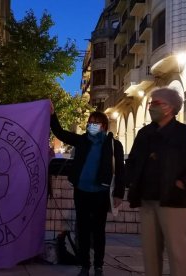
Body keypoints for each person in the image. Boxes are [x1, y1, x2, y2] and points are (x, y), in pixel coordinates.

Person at [126, 87, 186, 276]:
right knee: (150, 252)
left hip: (174, 200)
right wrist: (132, 181)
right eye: (151, 103)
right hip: (147, 200)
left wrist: (183, 182)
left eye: (156, 103)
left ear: (170, 107)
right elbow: (132, 161)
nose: (151, 107)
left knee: (177, 250)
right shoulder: (144, 133)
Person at [50, 104, 125, 276]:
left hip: (101, 192)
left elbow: (120, 170)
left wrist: (119, 193)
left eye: (96, 122)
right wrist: (52, 115)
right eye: (90, 122)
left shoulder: (114, 145)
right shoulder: (82, 140)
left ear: (104, 126)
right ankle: (85, 265)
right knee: (82, 230)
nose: (92, 125)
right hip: (81, 191)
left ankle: (98, 266)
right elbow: (60, 133)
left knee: (98, 231)